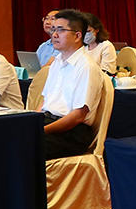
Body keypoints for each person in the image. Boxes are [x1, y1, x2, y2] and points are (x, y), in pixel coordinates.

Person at [38, 9, 104, 160]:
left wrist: (41, 130)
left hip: (71, 133)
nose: (54, 35)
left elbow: (78, 116)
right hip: (49, 122)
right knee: (9, 134)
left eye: (61, 30)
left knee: (24, 144)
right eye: (53, 29)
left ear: (77, 36)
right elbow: (44, 102)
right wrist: (32, 122)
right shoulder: (56, 62)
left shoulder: (86, 67)